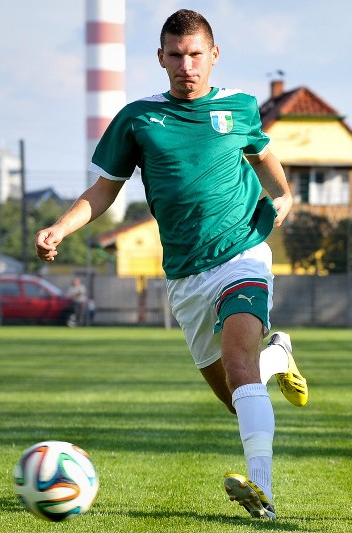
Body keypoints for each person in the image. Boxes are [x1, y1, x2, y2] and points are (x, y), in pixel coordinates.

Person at [35, 9, 307, 520]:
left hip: (243, 253)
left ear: (214, 55)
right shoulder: (137, 119)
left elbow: (263, 154)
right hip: (185, 276)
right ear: (160, 58)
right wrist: (61, 228)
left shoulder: (241, 107)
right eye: (177, 56)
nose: (187, 65)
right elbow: (104, 190)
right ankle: (279, 356)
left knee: (240, 362)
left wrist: (284, 195)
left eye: (196, 55)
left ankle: (263, 493)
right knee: (237, 395)